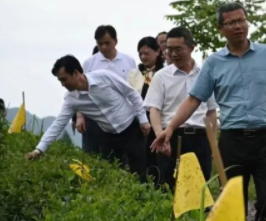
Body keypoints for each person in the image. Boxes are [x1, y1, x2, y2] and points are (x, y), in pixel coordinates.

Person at [152, 3, 266, 221]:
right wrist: (170, 128)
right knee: (233, 202)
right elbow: (194, 99)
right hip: (232, 141)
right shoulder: (214, 63)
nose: (238, 26)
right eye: (231, 22)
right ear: (220, 28)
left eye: (241, 20)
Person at [26, 55, 150, 180]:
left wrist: (143, 120)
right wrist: (39, 150)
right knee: (113, 175)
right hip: (108, 136)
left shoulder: (104, 76)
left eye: (64, 79)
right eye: (60, 81)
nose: (63, 84)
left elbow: (131, 93)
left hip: (131, 129)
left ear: (75, 73)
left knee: (140, 171)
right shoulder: (71, 99)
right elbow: (58, 124)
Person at [144, 27, 217, 190]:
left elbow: (211, 111)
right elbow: (154, 109)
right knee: (169, 188)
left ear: (191, 48)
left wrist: (212, 143)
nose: (173, 54)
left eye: (178, 49)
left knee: (200, 190)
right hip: (171, 137)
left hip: (200, 138)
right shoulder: (161, 76)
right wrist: (160, 135)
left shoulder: (205, 75)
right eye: (169, 49)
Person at [77, 26, 136, 156]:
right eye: (100, 44)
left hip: (123, 117)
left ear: (116, 41)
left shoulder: (129, 61)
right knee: (94, 154)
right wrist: (80, 117)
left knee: (123, 156)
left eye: (107, 43)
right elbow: (81, 93)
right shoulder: (89, 63)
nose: (103, 47)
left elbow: (134, 90)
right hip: (96, 117)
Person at [128, 37, 165, 185]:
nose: (143, 57)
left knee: (157, 156)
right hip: (138, 120)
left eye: (147, 53)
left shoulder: (165, 72)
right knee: (139, 156)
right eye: (140, 53)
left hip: (159, 119)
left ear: (157, 52)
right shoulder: (134, 73)